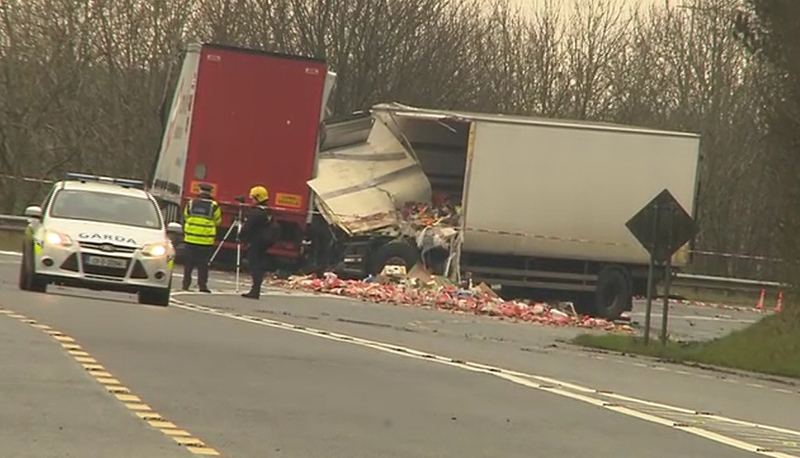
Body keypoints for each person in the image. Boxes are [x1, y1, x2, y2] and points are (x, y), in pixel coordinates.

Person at [239, 185, 281, 299]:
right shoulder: (268, 211)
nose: (251, 200)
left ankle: (255, 290)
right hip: (264, 242)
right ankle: (256, 289)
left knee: (255, 265)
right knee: (259, 264)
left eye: (253, 198)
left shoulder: (256, 212)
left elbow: (248, 227)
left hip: (256, 242)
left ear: (257, 198)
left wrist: (241, 236)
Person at [181, 183, 222, 292]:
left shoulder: (191, 203)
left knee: (188, 264)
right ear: (210, 192)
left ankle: (186, 284)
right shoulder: (214, 205)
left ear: (199, 191)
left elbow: (186, 216)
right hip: (205, 240)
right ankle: (202, 285)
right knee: (203, 265)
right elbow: (217, 221)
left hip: (190, 239)